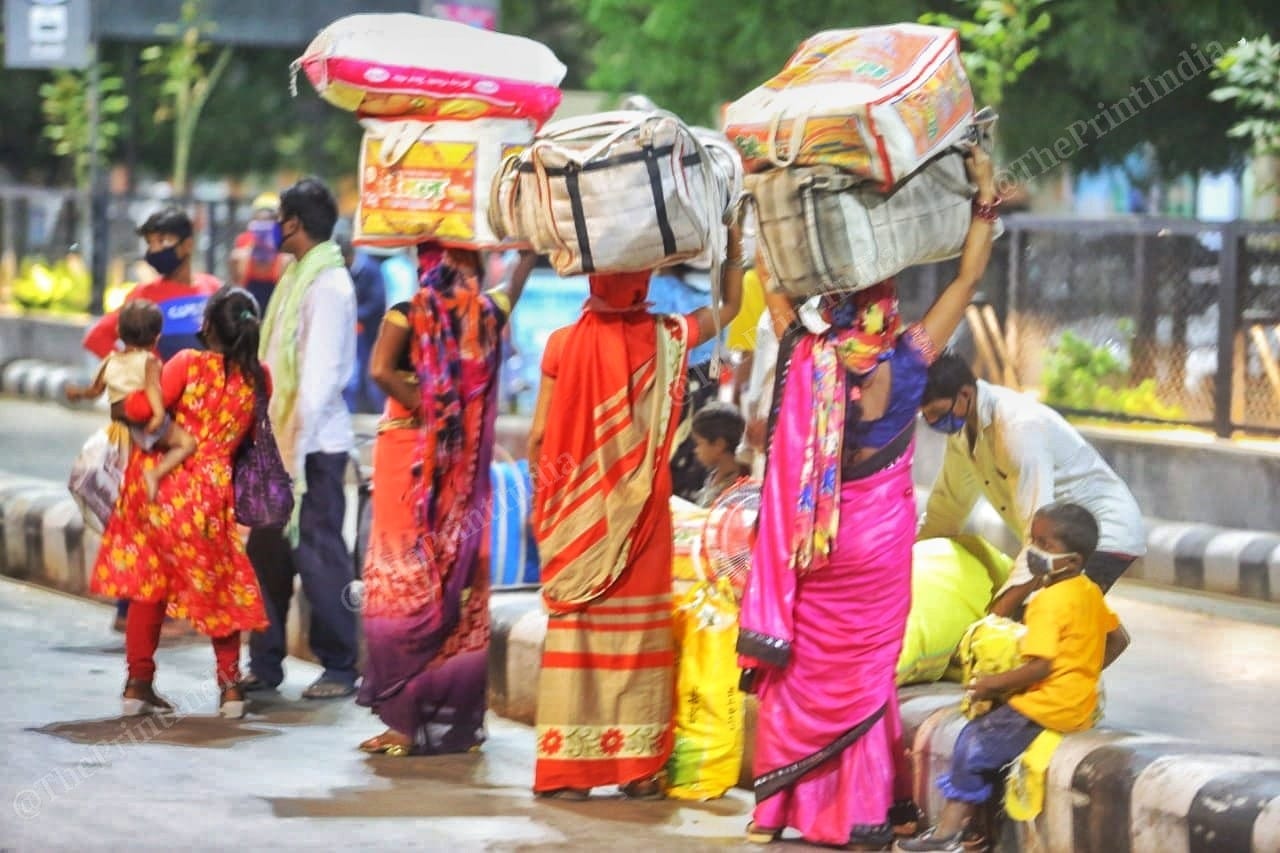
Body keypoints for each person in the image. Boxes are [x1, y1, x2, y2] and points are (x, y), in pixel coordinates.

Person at [737, 146, 998, 849]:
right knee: (865, 676)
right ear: (888, 305)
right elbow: (969, 276)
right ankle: (856, 812)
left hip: (813, 542)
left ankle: (776, 812)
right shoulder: (911, 358)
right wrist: (982, 196)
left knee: (801, 672)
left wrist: (763, 190)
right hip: (878, 544)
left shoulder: (805, 350)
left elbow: (770, 276)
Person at [528, 224, 745, 801]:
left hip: (574, 519)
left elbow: (542, 434)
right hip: (642, 514)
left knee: (580, 632)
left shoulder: (560, 344)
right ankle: (635, 767)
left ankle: (569, 768)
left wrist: (550, 506)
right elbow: (731, 303)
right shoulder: (668, 335)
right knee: (638, 635)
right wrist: (734, 241)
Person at [355, 245, 537, 756]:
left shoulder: (414, 310)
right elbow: (515, 286)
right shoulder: (482, 315)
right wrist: (528, 253)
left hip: (412, 456)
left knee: (408, 582)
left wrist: (433, 412)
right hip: (442, 465)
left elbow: (380, 371)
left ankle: (405, 723)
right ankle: (435, 718)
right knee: (438, 581)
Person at [896, 503, 1130, 852]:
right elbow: (1120, 638)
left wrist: (991, 684)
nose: (1034, 552)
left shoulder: (1047, 602)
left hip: (1046, 706)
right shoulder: (1089, 591)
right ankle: (973, 828)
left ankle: (948, 835)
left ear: (1074, 561)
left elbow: (1040, 667)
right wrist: (1083, 670)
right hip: (1080, 704)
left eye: (1045, 545)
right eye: (1032, 541)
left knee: (971, 745)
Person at [90, 286, 271, 718]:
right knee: (219, 586)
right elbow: (248, 435)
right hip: (212, 490)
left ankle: (138, 685)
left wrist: (123, 396)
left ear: (205, 327)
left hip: (161, 487)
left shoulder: (187, 364)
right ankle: (230, 690)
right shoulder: (259, 375)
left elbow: (138, 409)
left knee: (148, 586)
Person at [243, 178, 360, 700]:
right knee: (266, 556)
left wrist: (290, 451)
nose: (274, 228)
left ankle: (339, 665)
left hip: (313, 449)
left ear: (293, 222)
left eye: (279, 218)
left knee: (319, 557)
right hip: (281, 445)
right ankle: (265, 664)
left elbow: (317, 380)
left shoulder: (328, 285)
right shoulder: (297, 279)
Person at [916, 353, 1146, 615]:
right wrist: (908, 563)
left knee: (1047, 625)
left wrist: (997, 616)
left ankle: (1106, 642)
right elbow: (948, 506)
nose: (933, 422)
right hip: (1057, 538)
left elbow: (1037, 530)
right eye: (926, 416)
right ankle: (1110, 641)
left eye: (937, 412)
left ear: (966, 394)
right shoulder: (962, 434)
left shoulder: (1016, 429)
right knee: (1058, 630)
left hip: (1103, 532)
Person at [82, 206, 220, 633]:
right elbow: (99, 337)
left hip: (198, 426)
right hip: (154, 427)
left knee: (185, 519)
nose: (156, 249)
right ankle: (135, 610)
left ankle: (168, 609)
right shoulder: (143, 296)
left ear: (189, 243)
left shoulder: (212, 291)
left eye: (165, 241)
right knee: (149, 517)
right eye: (151, 242)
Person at [66, 299, 197, 501]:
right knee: (187, 443)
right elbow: (153, 388)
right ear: (157, 338)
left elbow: (95, 391)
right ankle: (155, 474)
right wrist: (159, 414)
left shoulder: (109, 361)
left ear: (118, 331)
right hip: (142, 423)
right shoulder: (150, 361)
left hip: (119, 425)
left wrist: (77, 393)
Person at [336, 233, 388, 414]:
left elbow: (377, 301)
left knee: (369, 370)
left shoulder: (370, 270)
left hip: (370, 331)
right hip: (351, 330)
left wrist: (354, 315)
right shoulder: (343, 272)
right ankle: (354, 409)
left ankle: (375, 409)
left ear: (349, 256)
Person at [230, 192, 289, 314]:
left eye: (269, 219)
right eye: (260, 220)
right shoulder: (240, 253)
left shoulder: (285, 258)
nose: (264, 226)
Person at [690, 401, 749, 507]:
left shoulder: (737, 488)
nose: (696, 450)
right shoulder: (715, 474)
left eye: (699, 443)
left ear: (719, 445)